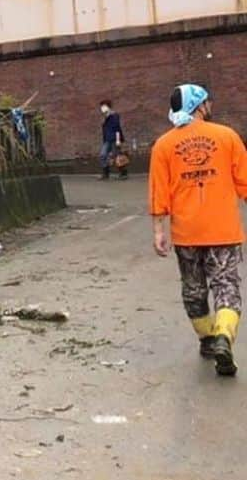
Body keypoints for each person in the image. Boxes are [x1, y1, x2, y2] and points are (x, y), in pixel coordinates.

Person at [149, 84, 247, 376]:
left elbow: (158, 191)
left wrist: (158, 230)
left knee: (194, 291)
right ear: (200, 106)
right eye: (207, 101)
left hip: (187, 233)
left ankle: (206, 339)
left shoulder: (163, 145)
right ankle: (224, 337)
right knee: (226, 287)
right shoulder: (227, 136)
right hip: (223, 230)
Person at [98, 100, 126, 180]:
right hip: (107, 140)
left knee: (117, 156)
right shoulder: (105, 117)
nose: (101, 108)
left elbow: (117, 128)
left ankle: (123, 173)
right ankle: (106, 173)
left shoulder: (114, 115)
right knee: (103, 155)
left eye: (103, 106)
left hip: (114, 139)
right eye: (101, 107)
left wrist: (118, 140)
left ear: (108, 106)